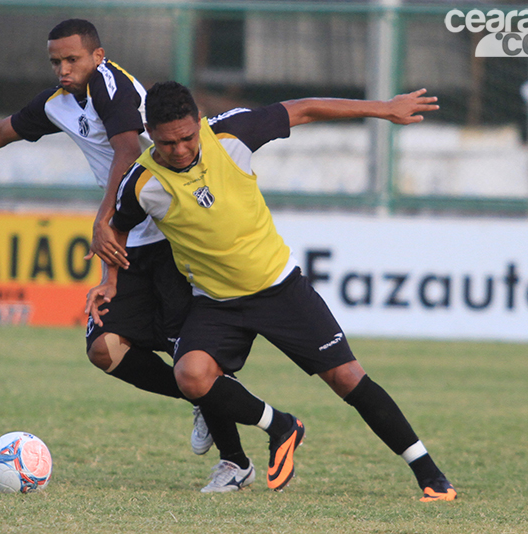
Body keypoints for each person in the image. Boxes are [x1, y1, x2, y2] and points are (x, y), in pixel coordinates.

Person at [93, 81, 457, 501]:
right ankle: (281, 425)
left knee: (347, 378)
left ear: (198, 122)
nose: (179, 149)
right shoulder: (141, 182)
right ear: (149, 132)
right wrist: (110, 280)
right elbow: (116, 230)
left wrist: (384, 109)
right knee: (191, 376)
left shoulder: (231, 133)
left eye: (188, 137)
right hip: (217, 305)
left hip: (280, 289)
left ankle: (428, 472)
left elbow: (305, 107)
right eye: (167, 142)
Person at [0, 19, 214, 457]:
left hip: (170, 229)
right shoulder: (58, 104)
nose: (63, 69)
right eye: (56, 61)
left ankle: (236, 437)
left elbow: (129, 151)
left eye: (72, 59)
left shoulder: (112, 86)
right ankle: (203, 398)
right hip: (128, 235)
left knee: (183, 345)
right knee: (104, 349)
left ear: (98, 56)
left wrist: (104, 217)